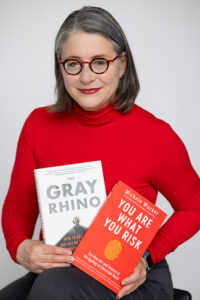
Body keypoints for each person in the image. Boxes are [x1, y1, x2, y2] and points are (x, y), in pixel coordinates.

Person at [1, 6, 200, 300]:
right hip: (64, 271)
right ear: (60, 67)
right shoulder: (38, 125)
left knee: (52, 289)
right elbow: (19, 204)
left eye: (99, 62)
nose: (85, 76)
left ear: (122, 65)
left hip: (131, 277)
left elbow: (194, 206)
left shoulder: (156, 135)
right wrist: (20, 247)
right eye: (73, 63)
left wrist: (147, 257)